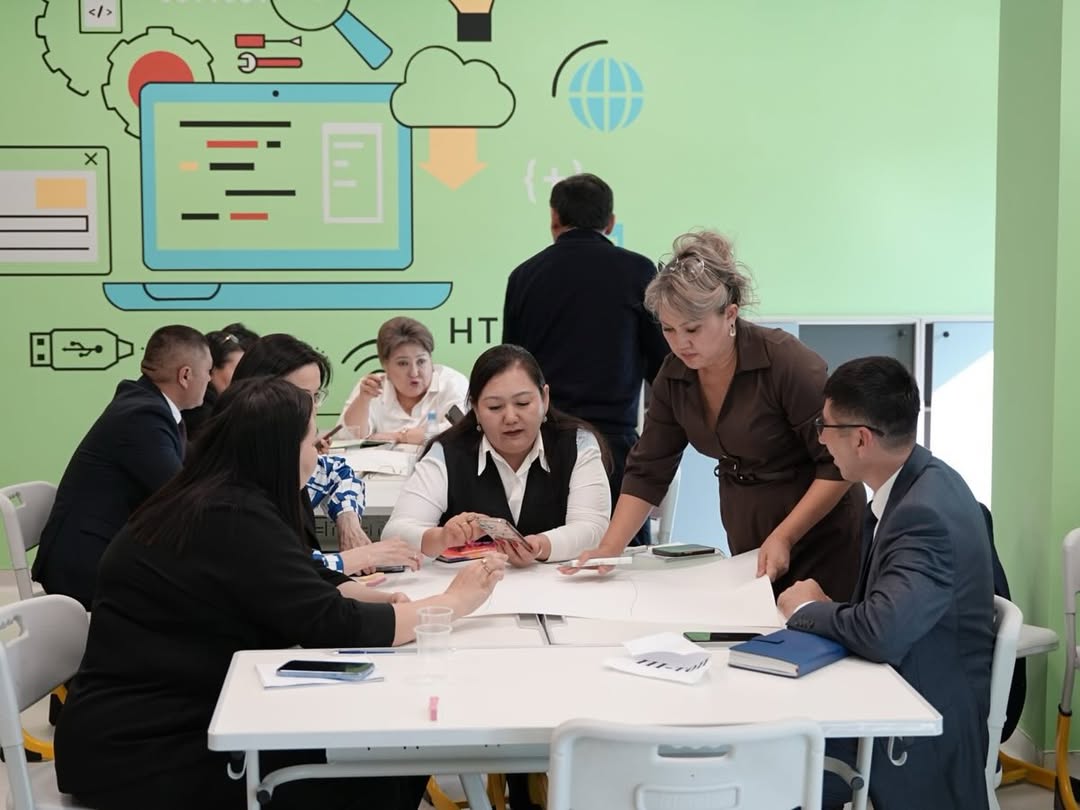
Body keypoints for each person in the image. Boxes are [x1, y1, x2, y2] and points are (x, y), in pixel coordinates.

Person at [54, 377, 507, 810]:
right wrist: (452, 603)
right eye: (311, 442)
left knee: (387, 747)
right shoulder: (229, 517)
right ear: (279, 451)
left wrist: (369, 595)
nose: (319, 451)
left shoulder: (216, 497)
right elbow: (334, 625)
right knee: (384, 759)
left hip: (172, 721)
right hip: (147, 752)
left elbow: (295, 573)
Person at [567, 231, 863, 601]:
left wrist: (785, 536)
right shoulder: (674, 375)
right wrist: (609, 548)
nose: (680, 343)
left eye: (693, 329)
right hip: (750, 533)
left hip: (822, 531)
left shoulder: (786, 362)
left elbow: (839, 463)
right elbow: (648, 469)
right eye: (669, 329)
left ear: (730, 315)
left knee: (814, 627)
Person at [778, 356, 994, 810]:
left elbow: (882, 632)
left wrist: (807, 609)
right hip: (908, 688)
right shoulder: (923, 480)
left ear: (861, 438)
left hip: (919, 735)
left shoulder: (921, 514)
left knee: (770, 763)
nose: (820, 439)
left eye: (825, 426)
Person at [502, 173, 668, 546]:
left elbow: (510, 367)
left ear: (554, 219)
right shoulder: (639, 271)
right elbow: (663, 366)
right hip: (616, 446)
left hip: (545, 444)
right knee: (622, 556)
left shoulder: (524, 276)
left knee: (542, 550)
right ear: (610, 222)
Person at [384, 344, 611, 568]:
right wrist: (442, 537)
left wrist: (541, 546)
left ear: (544, 398)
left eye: (523, 403)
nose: (510, 417)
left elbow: (593, 528)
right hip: (469, 588)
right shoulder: (448, 453)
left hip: (561, 587)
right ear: (475, 409)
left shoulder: (577, 445)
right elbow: (394, 534)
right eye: (494, 407)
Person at [33, 325, 212, 609]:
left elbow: (192, 468)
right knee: (202, 591)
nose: (210, 379)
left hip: (106, 549)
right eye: (208, 371)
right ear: (186, 375)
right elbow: (180, 495)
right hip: (85, 565)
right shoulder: (143, 416)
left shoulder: (148, 405)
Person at [231, 334, 421, 574]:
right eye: (302, 396)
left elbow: (337, 471)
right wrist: (359, 558)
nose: (311, 408)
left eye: (315, 396)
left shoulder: (284, 458)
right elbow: (277, 565)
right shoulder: (235, 483)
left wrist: (347, 518)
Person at [340, 317, 468, 444]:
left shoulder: (452, 383)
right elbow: (348, 438)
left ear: (430, 359)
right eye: (403, 363)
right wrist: (363, 400)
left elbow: (464, 430)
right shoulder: (371, 388)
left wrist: (401, 437)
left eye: (421, 361)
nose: (414, 373)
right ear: (385, 365)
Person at [182, 322, 259, 440]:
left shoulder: (222, 408)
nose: (244, 376)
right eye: (238, 369)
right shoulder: (200, 415)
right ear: (210, 369)